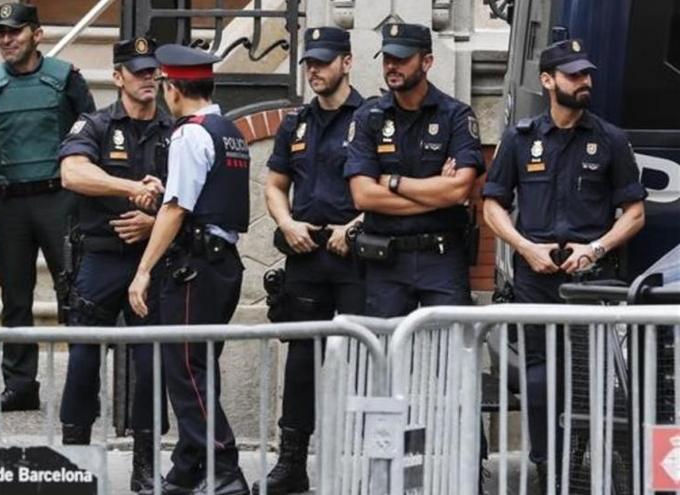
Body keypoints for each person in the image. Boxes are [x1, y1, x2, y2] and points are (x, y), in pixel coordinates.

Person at [482, 38, 646, 492]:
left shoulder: (610, 140)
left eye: (586, 74)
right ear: (548, 81)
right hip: (536, 278)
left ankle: (587, 468)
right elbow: (492, 206)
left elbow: (634, 213)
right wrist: (525, 247)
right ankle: (546, 467)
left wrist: (593, 248)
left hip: (592, 282)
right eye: (574, 74)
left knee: (593, 380)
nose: (585, 81)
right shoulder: (520, 139)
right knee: (538, 378)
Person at [128, 44, 251, 495]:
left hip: (194, 267)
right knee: (198, 368)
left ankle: (224, 468)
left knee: (184, 370)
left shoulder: (188, 134)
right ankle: (187, 467)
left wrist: (143, 271)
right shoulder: (229, 130)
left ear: (173, 88)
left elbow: (176, 209)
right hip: (222, 265)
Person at [56, 36, 171, 494]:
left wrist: (152, 221)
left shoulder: (175, 128)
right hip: (100, 258)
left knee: (151, 364)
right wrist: (129, 189)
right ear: (118, 76)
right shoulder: (96, 124)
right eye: (139, 71)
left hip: (152, 258)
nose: (149, 79)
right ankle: (74, 459)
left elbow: (192, 197)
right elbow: (72, 173)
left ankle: (146, 464)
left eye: (153, 71)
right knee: (83, 360)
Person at [0, 2, 95, 413]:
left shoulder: (66, 79)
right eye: (1, 33)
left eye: (15, 32)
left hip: (60, 198)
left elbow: (89, 131)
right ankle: (20, 386)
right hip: (11, 204)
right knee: (15, 297)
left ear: (37, 35)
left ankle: (82, 390)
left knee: (75, 294)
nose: (7, 40)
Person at [256, 26, 364, 495]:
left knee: (364, 357)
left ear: (347, 62)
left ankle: (360, 463)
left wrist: (354, 226)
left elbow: (390, 184)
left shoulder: (374, 116)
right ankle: (292, 464)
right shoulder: (295, 122)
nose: (314, 70)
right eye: (308, 63)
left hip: (358, 256)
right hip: (305, 255)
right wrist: (286, 224)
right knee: (301, 361)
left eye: (323, 61)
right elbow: (275, 183)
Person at [344, 22, 484, 318]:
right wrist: (435, 194)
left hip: (442, 257)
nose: (392, 66)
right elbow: (363, 197)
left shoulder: (456, 115)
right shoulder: (369, 117)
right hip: (386, 260)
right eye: (387, 59)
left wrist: (392, 182)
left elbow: (460, 189)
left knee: (448, 353)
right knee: (385, 356)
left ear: (427, 61)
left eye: (402, 59)